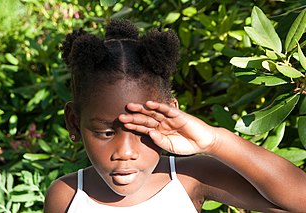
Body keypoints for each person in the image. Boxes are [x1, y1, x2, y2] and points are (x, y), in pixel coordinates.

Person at [44, 19, 306, 213]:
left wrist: (215, 142)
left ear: (169, 115)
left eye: (142, 130)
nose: (125, 152)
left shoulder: (189, 178)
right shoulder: (66, 197)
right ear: (74, 121)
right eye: (106, 132)